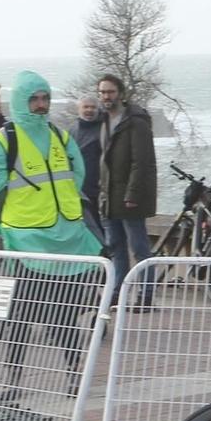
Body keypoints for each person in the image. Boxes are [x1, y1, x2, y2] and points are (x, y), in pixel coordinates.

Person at [0, 71, 105, 385]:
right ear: (21, 100)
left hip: (65, 242)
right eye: (34, 98)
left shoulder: (61, 137)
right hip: (25, 244)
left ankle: (73, 375)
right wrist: (9, 222)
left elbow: (77, 179)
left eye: (45, 98)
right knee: (19, 317)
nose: (41, 104)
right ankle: (13, 380)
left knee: (65, 316)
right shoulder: (1, 142)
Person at [95, 75, 157, 306]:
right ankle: (116, 295)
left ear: (120, 93)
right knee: (116, 250)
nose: (106, 97)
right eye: (102, 92)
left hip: (128, 199)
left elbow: (142, 162)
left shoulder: (135, 122)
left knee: (140, 249)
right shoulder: (103, 122)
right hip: (108, 199)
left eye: (110, 92)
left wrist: (132, 194)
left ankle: (145, 295)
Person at [73, 95, 104, 232]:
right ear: (79, 109)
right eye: (86, 107)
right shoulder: (72, 130)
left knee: (100, 228)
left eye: (93, 107)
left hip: (98, 189)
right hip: (78, 189)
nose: (89, 110)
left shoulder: (104, 129)